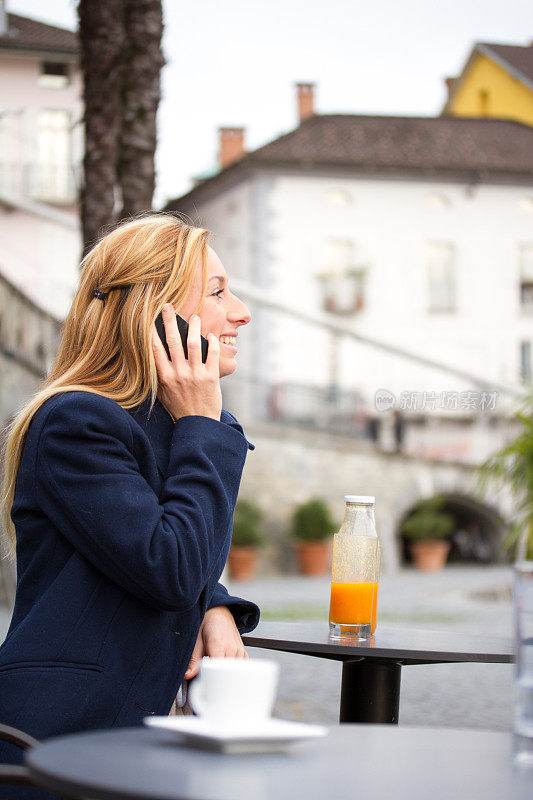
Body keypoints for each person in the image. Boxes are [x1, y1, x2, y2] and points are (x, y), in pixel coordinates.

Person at [0, 214, 260, 799]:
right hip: (53, 742)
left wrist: (213, 604)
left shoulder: (175, 429)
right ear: (155, 314)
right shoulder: (76, 422)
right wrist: (201, 421)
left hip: (137, 746)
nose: (241, 311)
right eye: (217, 293)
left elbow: (156, 538)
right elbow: (168, 566)